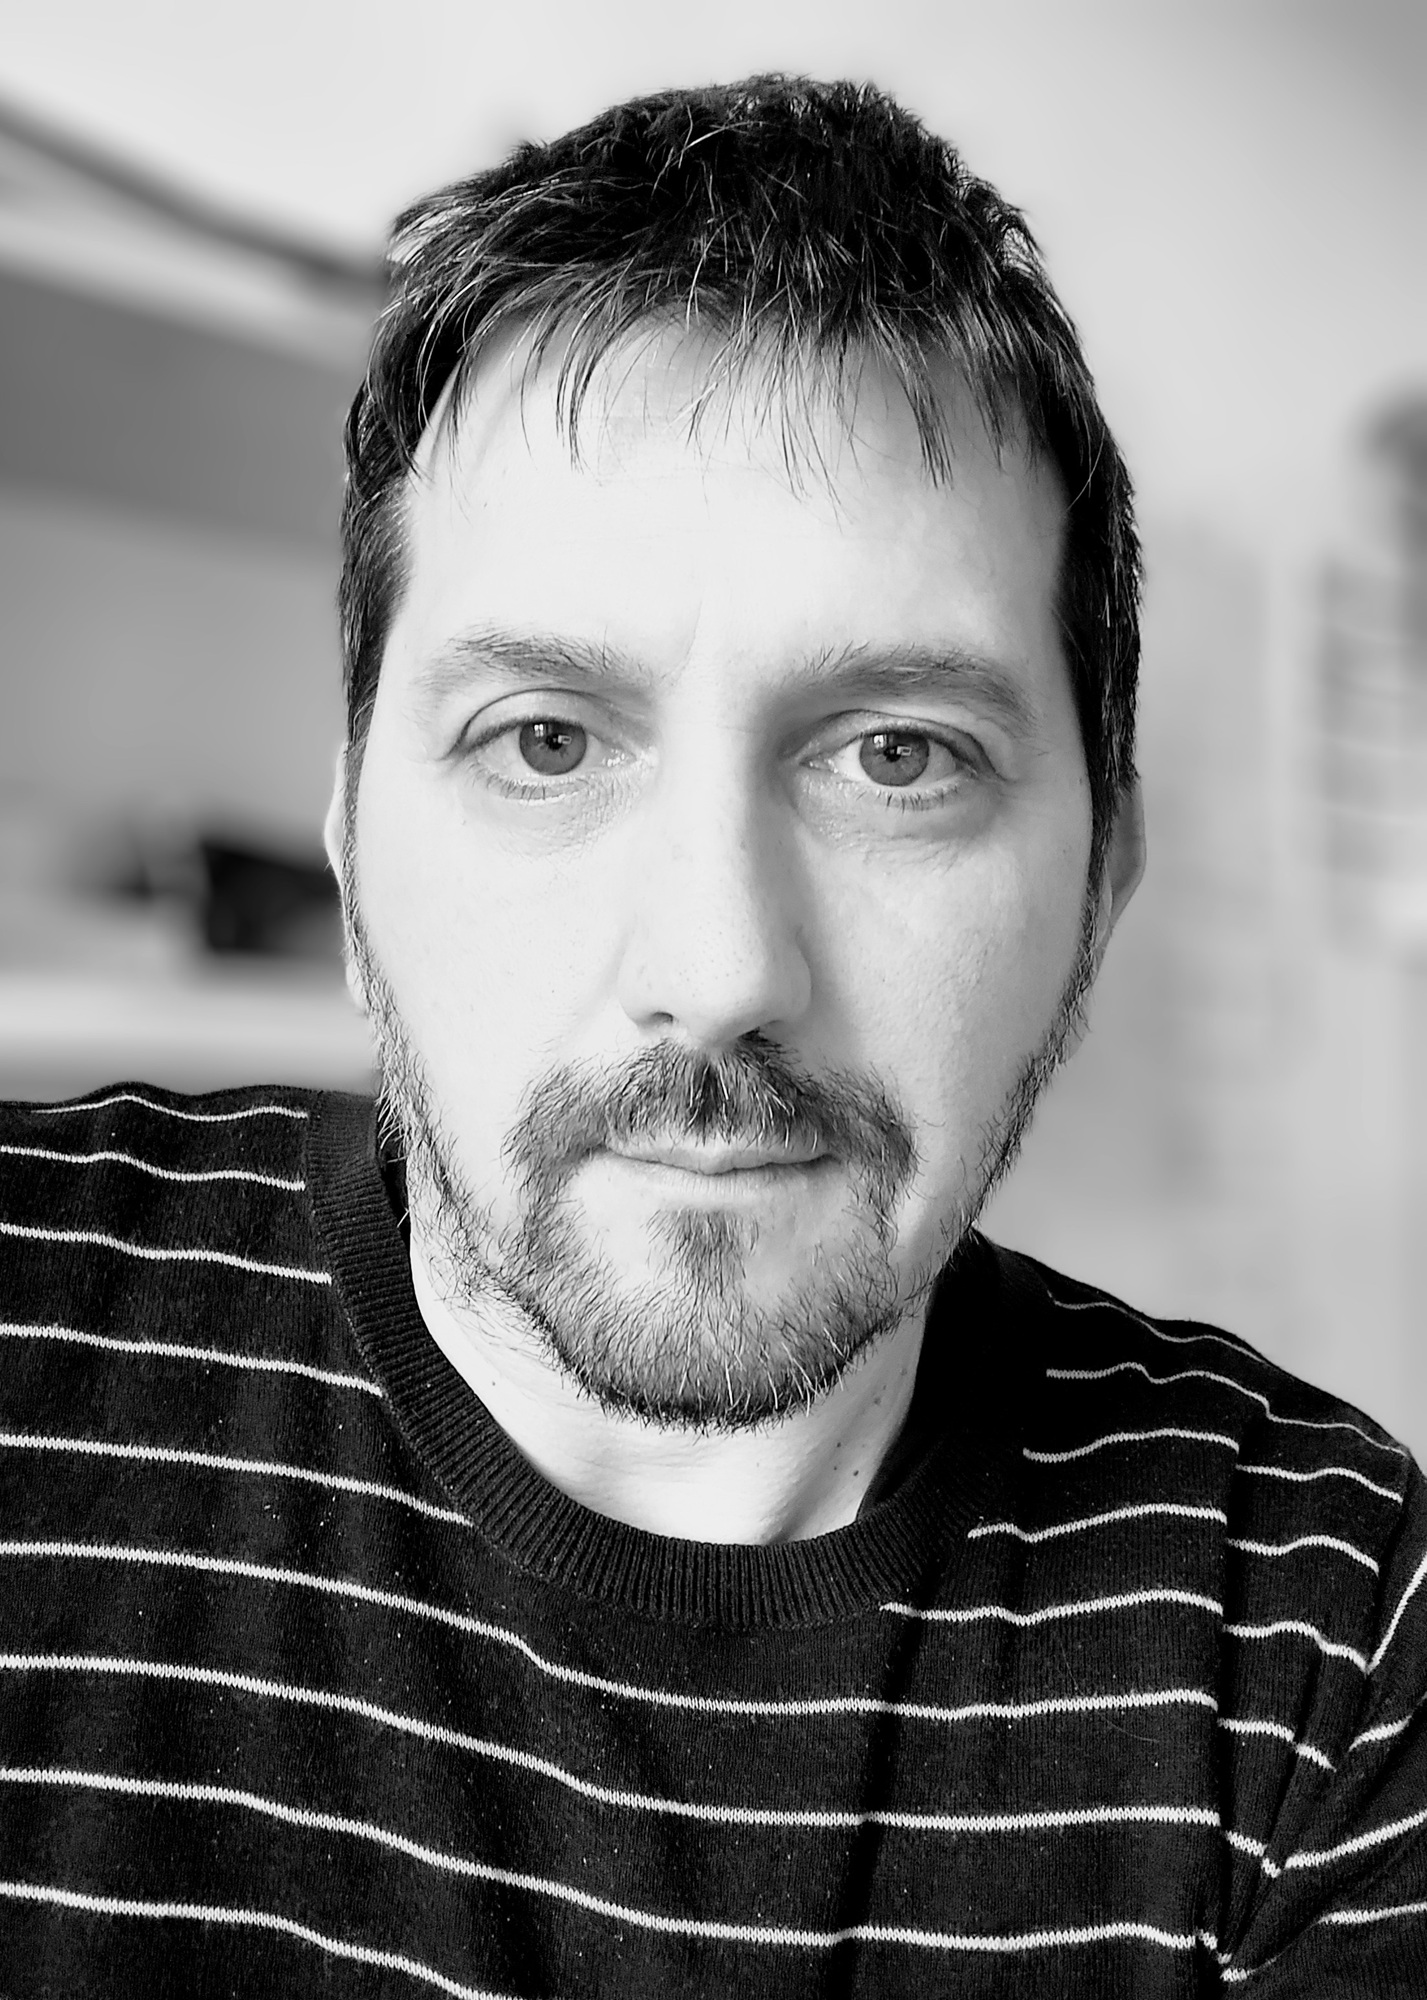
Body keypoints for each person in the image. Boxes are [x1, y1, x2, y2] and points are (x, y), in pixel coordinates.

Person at [1, 75, 1423, 1998]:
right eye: (546, 742)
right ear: (347, 847)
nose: (723, 964)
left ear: (1103, 884)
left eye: (898, 756)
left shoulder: (1328, 1629)